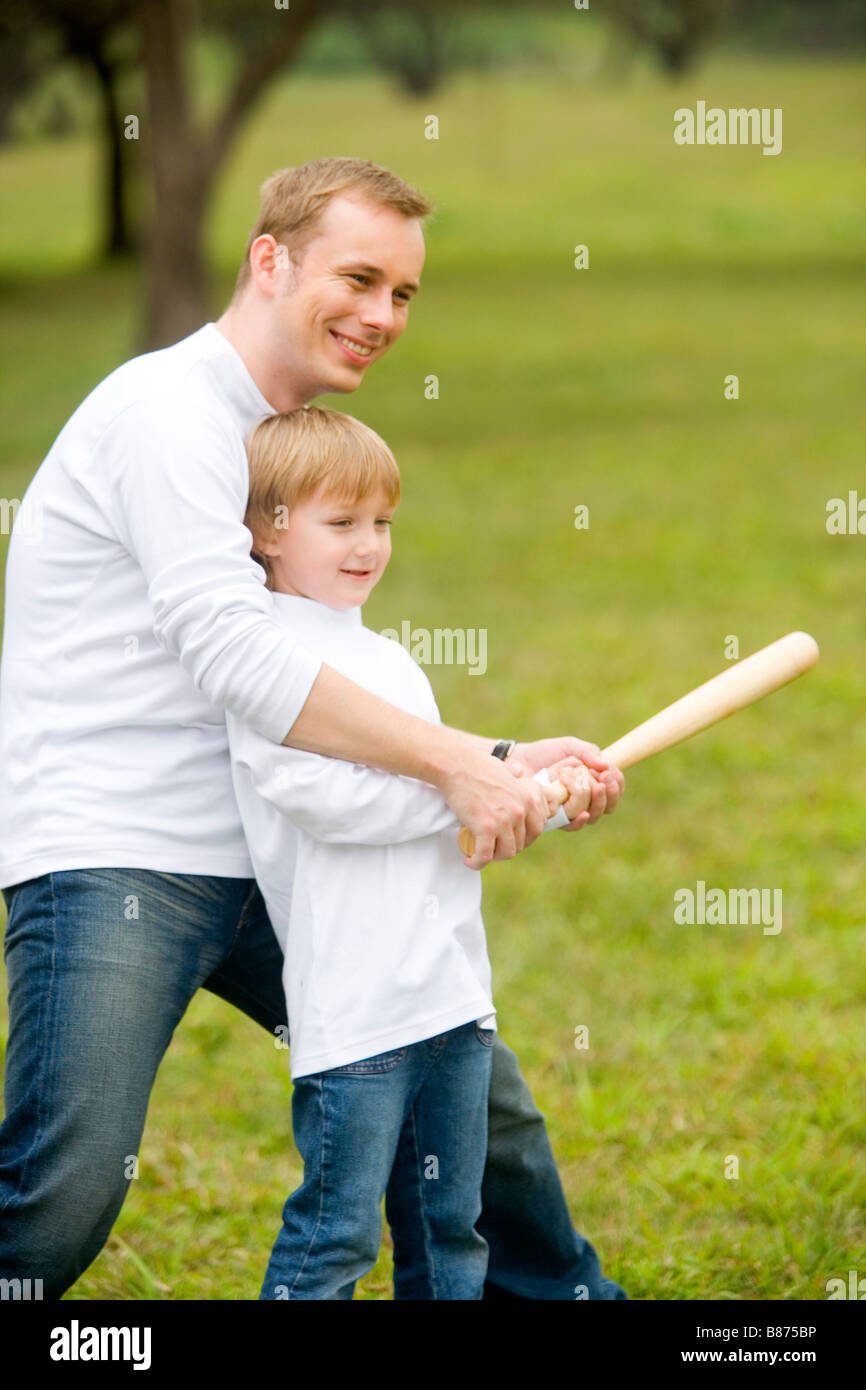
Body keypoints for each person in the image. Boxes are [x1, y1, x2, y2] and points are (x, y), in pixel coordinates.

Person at [0, 157, 625, 1300]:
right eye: (359, 278)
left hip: (282, 840)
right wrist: (460, 769)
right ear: (268, 259)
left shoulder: (291, 440)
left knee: (463, 1085)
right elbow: (239, 656)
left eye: (403, 293)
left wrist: (498, 761)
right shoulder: (168, 413)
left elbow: (321, 669)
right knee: (62, 1187)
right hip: (116, 850)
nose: (383, 315)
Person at [227, 406, 592, 1299]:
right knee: (336, 1238)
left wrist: (539, 799)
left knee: (452, 1233)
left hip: (451, 995)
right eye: (340, 522)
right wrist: (474, 786)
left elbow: (458, 813)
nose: (369, 544)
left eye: (381, 521)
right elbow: (334, 802)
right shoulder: (260, 659)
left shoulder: (391, 660)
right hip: (358, 1017)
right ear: (266, 532)